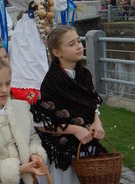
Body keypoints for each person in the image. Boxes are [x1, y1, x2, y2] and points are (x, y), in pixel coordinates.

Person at [31, 25, 106, 184]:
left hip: (87, 148)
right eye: (71, 44)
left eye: (79, 41)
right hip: (64, 153)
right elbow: (40, 122)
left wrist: (97, 123)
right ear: (57, 52)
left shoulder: (84, 74)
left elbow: (91, 105)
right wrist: (75, 129)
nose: (79, 46)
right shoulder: (49, 82)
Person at [8, 0, 50, 105]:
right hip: (30, 28)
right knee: (27, 58)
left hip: (35, 25)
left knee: (36, 57)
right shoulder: (26, 24)